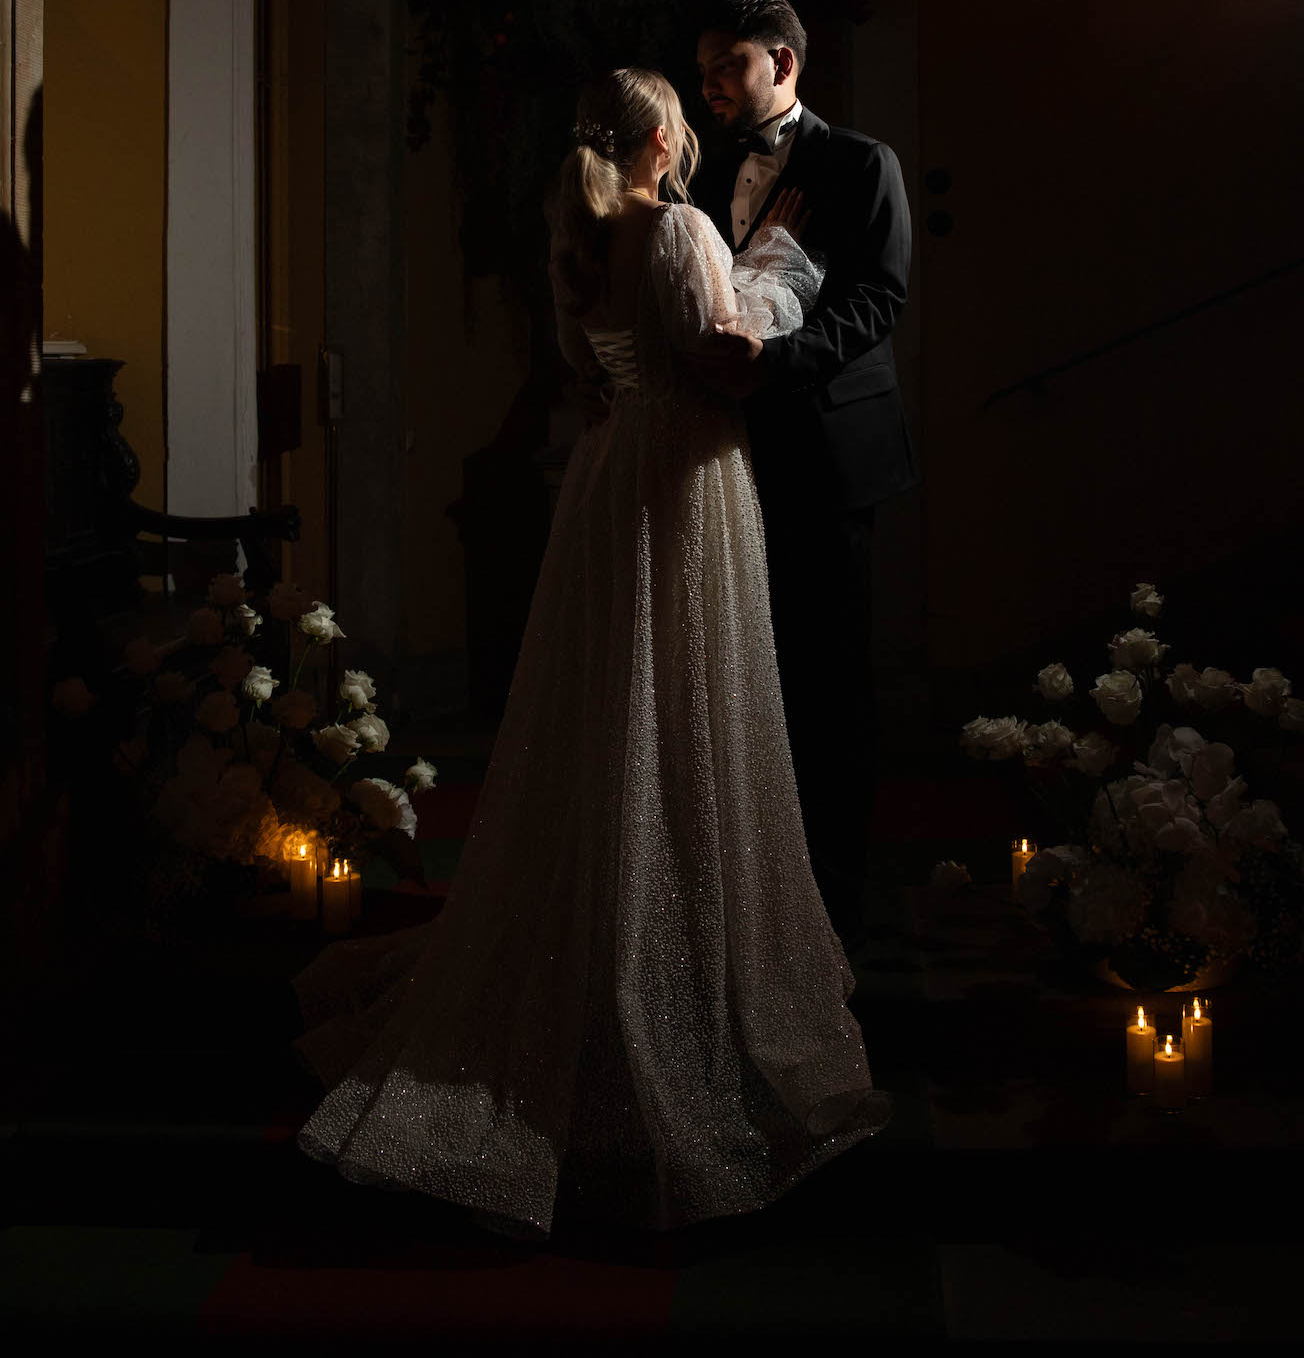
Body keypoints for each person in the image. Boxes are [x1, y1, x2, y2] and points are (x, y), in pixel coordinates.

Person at [291, 67, 892, 1241]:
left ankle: (597, 924)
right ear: (665, 137)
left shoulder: (574, 227)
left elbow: (608, 363)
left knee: (608, 707)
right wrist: (775, 269)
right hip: (684, 484)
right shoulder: (675, 228)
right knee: (680, 705)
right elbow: (720, 356)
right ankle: (665, 976)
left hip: (611, 476)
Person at [688, 0, 918, 951]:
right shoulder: (694, 173)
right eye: (701, 76)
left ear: (783, 62)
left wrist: (773, 364)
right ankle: (750, 899)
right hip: (719, 457)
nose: (711, 93)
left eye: (727, 68)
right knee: (742, 681)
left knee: (829, 684)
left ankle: (834, 910)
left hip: (826, 452)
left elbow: (876, 302)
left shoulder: (862, 163)